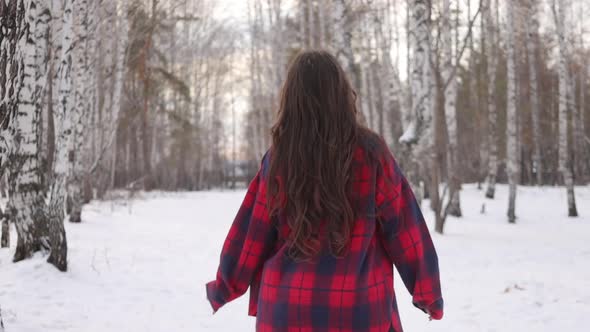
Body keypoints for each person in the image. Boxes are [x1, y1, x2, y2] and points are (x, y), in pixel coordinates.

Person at [206, 50, 443, 332]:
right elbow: (405, 228)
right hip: (359, 314)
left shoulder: (279, 158)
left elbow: (250, 234)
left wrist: (225, 286)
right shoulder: (371, 153)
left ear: (291, 99)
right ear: (342, 95)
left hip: (285, 314)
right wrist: (428, 293)